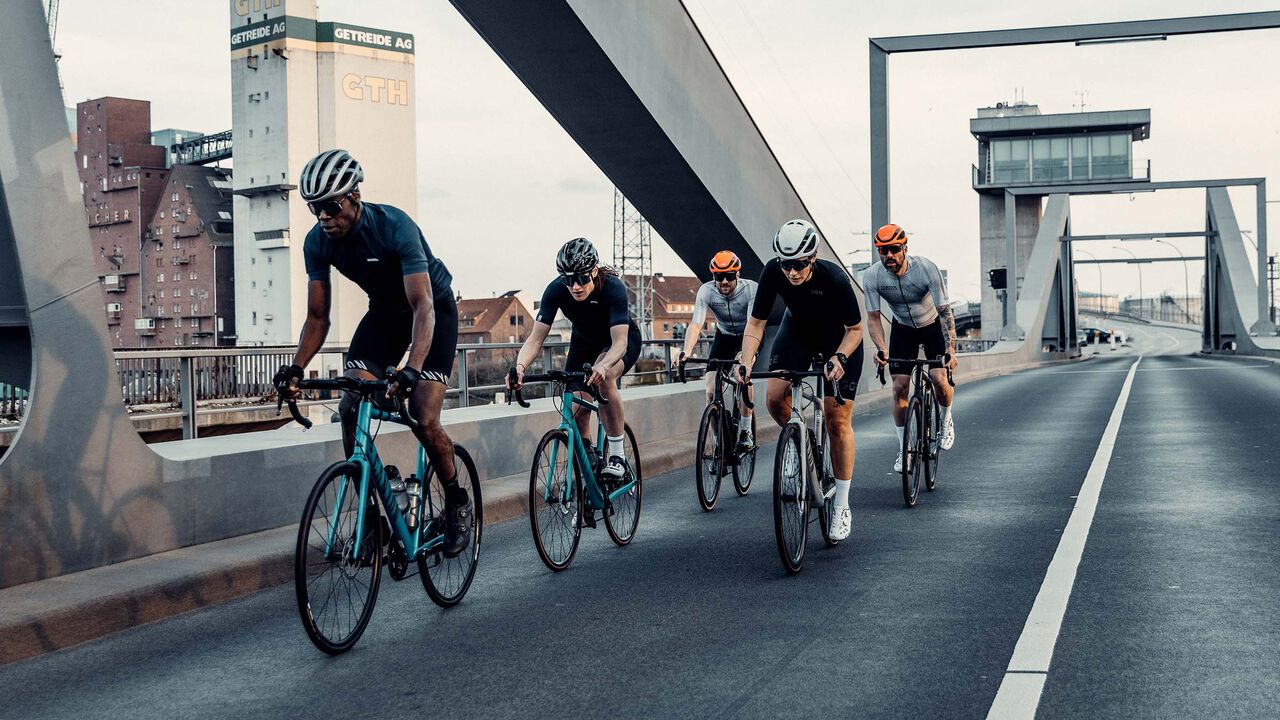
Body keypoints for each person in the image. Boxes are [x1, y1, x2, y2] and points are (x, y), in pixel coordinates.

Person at [272, 149, 470, 558]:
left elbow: (423, 307)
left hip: (432, 311)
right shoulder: (317, 243)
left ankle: (456, 501)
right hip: (383, 316)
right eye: (314, 209)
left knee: (422, 414)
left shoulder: (395, 226)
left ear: (354, 196)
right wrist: (296, 367)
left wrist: (412, 368)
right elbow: (317, 317)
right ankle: (372, 516)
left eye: (331, 206)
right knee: (351, 407)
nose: (324, 217)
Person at [738, 219, 864, 541]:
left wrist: (839, 358)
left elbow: (856, 330)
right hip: (798, 332)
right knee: (773, 398)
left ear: (813, 256)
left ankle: (842, 507)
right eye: (786, 265)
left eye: (799, 265)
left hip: (838, 339)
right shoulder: (772, 272)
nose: (792, 273)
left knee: (837, 421)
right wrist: (746, 360)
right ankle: (802, 440)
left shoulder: (834, 277)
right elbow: (756, 325)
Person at [508, 238, 642, 481]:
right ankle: (590, 461)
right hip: (584, 344)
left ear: (593, 271)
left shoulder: (612, 287)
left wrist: (603, 365)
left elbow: (620, 342)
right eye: (568, 279)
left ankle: (617, 456)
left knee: (605, 378)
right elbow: (536, 339)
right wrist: (519, 367)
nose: (575, 286)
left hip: (618, 341)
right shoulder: (556, 290)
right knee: (575, 405)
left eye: (581, 278)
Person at [861, 223, 958, 473]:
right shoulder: (872, 276)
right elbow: (873, 318)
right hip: (903, 328)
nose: (888, 256)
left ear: (904, 248)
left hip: (932, 325)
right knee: (899, 387)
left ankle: (946, 420)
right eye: (883, 251)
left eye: (893, 249)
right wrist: (882, 349)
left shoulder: (926, 269)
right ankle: (904, 448)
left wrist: (951, 350)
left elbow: (945, 312)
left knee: (938, 377)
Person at [679, 250, 758, 449]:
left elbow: (752, 325)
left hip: (747, 335)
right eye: (718, 277)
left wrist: (745, 355)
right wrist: (686, 351)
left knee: (743, 375)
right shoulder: (706, 291)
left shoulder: (751, 290)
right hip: (723, 337)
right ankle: (718, 442)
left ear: (737, 275)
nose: (724, 281)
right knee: (710, 390)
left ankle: (746, 431)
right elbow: (696, 324)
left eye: (729, 276)